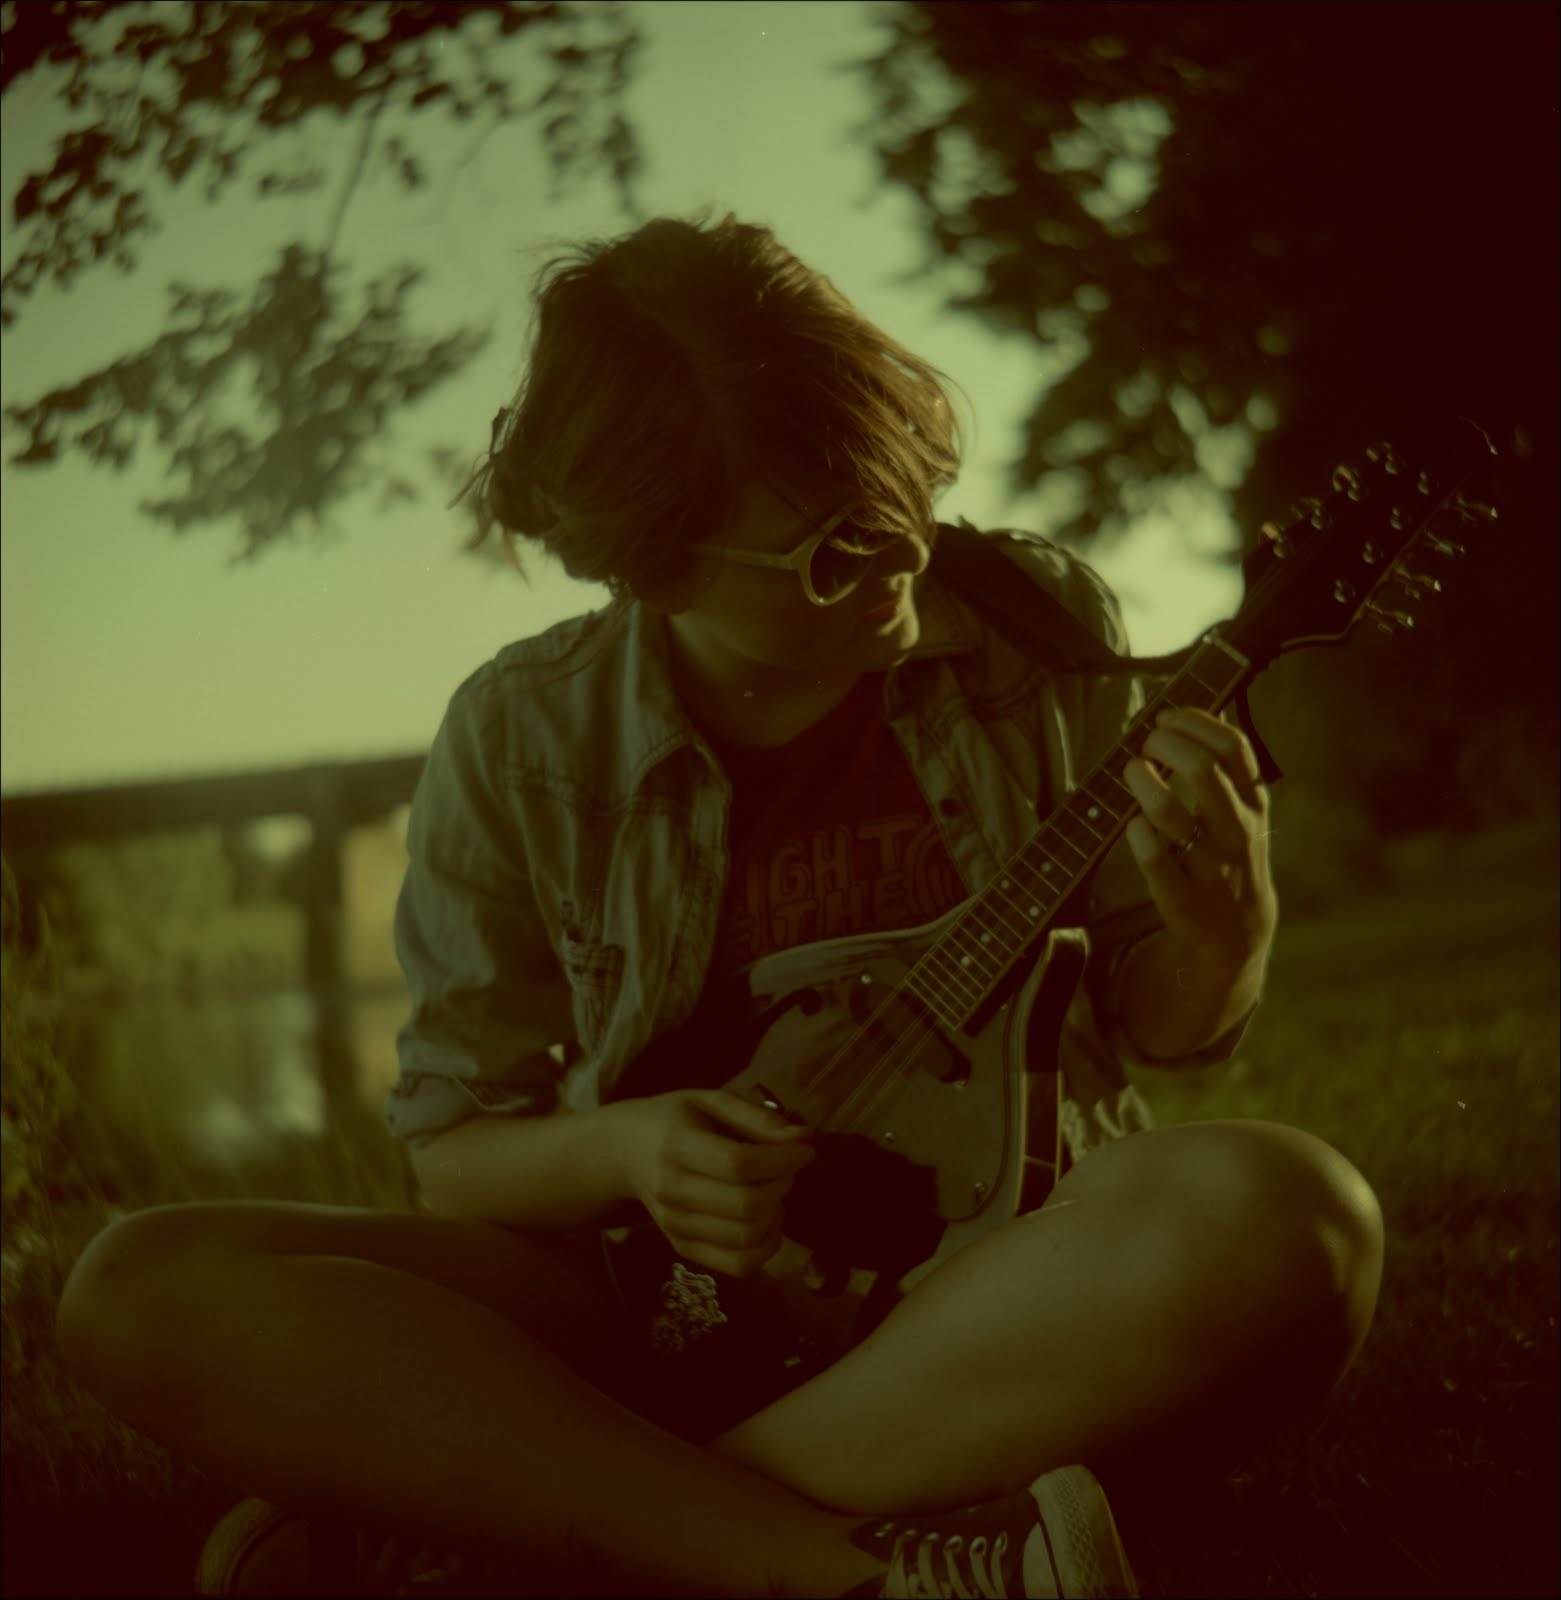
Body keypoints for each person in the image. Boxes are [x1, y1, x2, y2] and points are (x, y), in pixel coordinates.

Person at [55, 212, 1384, 1599]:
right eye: (834, 552)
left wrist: (1226, 932)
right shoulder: (522, 736)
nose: (904, 561)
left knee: (1298, 1216)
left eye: (906, 494)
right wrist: (633, 1150)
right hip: (651, 1301)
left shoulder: (1030, 621)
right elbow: (457, 1156)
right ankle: (830, 1560)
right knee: (137, 1287)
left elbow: (1165, 1030)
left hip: (1004, 1290)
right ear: (652, 564)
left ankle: (573, 1533)